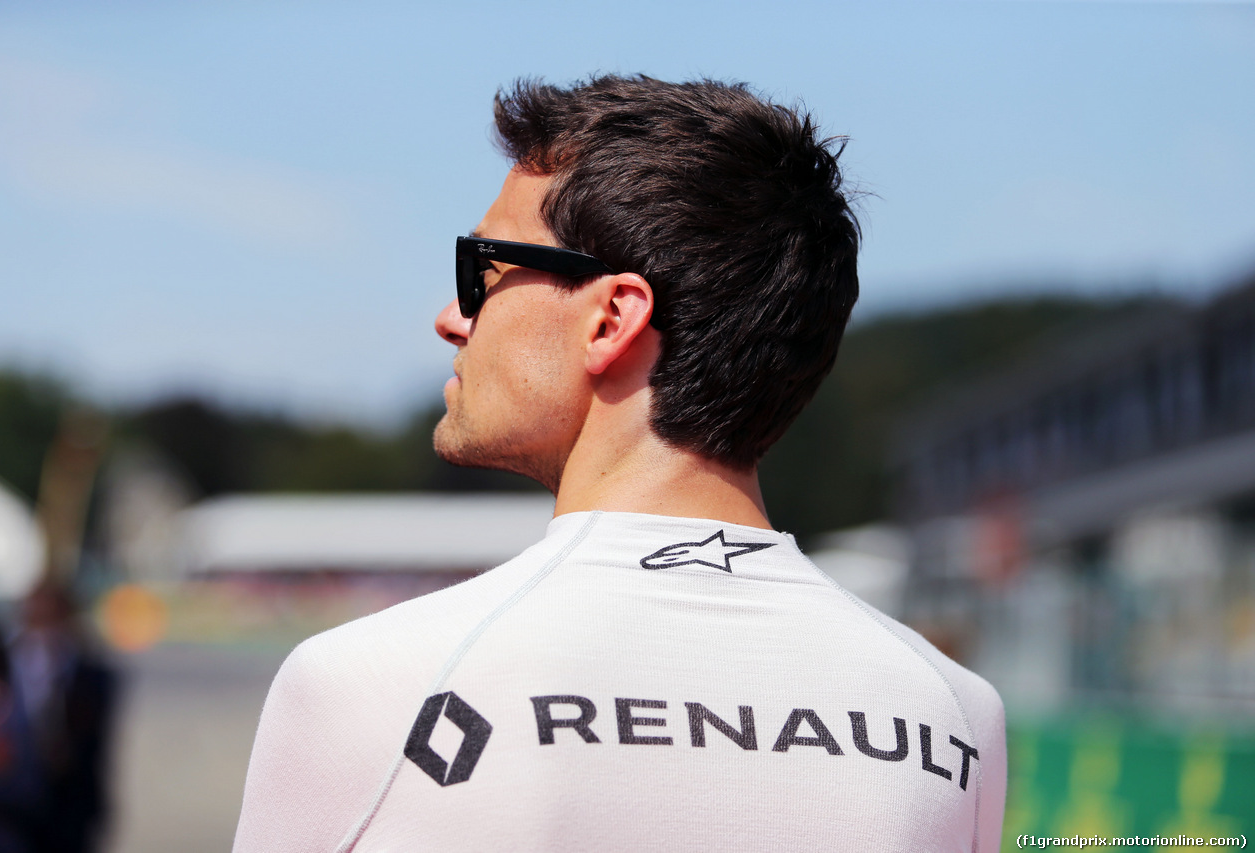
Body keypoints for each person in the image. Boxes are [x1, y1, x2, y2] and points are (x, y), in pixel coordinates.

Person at [233, 75, 1007, 853]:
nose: (451, 317)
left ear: (611, 318)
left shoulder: (371, 684)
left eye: (484, 271)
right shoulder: (952, 714)